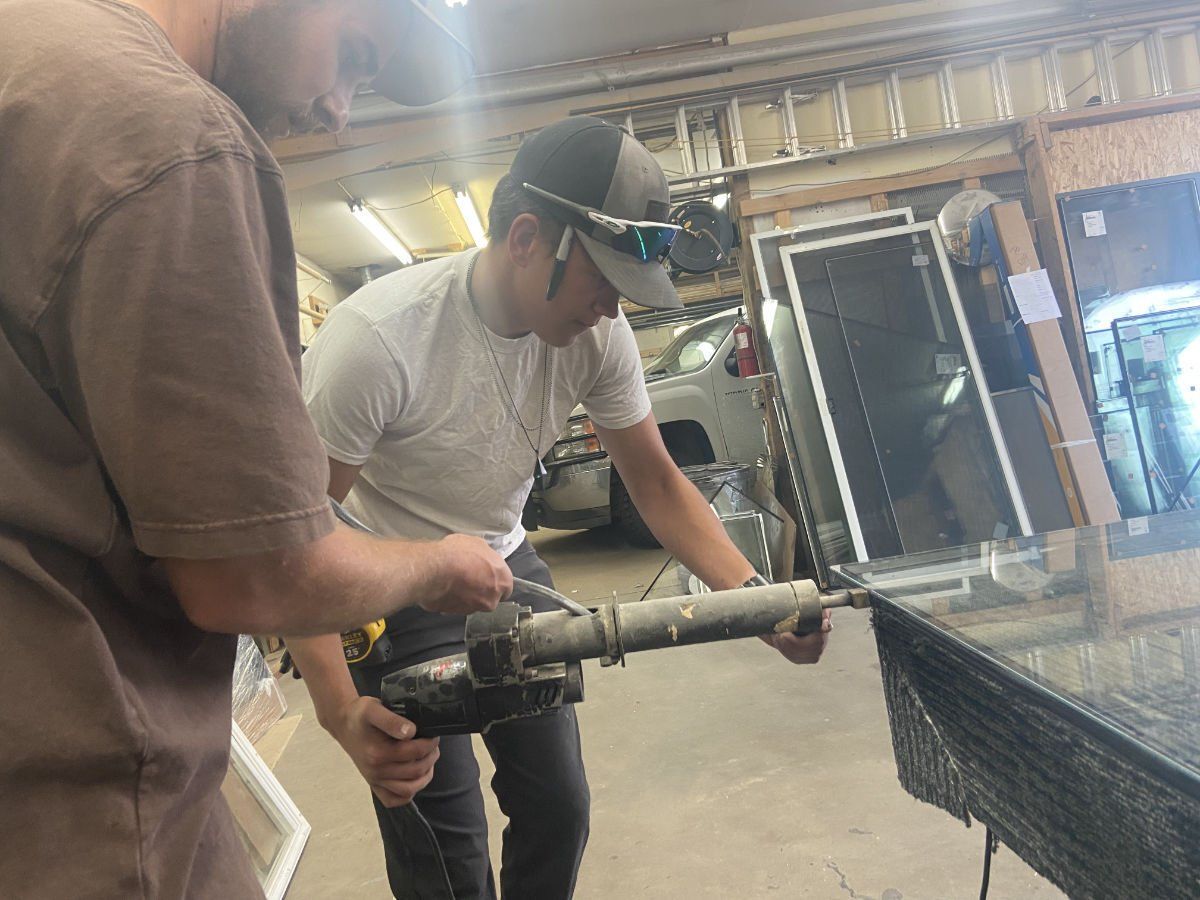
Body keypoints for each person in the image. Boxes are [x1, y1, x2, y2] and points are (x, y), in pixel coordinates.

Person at [0, 1, 506, 896]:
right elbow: (260, 571)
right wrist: (438, 565)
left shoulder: (29, 52)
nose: (341, 109)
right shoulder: (169, 132)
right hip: (76, 800)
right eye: (352, 57)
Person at [292, 116, 833, 900]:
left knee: (558, 808)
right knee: (445, 848)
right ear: (526, 239)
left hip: (506, 566)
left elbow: (655, 484)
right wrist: (341, 714)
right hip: (389, 583)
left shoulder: (597, 336)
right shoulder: (376, 343)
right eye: (603, 284)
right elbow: (296, 547)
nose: (612, 311)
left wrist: (758, 602)